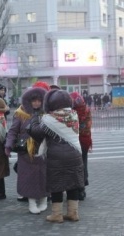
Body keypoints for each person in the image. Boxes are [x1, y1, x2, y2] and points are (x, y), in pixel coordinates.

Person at [28, 89, 84, 223]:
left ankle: (57, 215)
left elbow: (36, 132)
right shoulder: (73, 115)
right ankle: (73, 213)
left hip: (57, 158)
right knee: (73, 184)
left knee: (57, 185)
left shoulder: (49, 119)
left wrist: (35, 118)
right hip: (75, 155)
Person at [5, 87, 48, 214]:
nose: (36, 103)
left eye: (39, 101)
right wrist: (8, 145)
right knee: (29, 178)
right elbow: (13, 131)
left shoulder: (47, 113)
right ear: (28, 101)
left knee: (44, 176)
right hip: (26, 151)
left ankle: (44, 200)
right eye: (34, 101)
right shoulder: (20, 113)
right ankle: (32, 203)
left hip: (44, 150)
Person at [70, 92, 92, 201]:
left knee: (78, 166)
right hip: (85, 141)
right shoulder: (86, 110)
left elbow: (76, 128)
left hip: (77, 142)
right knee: (83, 164)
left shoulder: (74, 113)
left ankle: (79, 189)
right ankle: (81, 188)